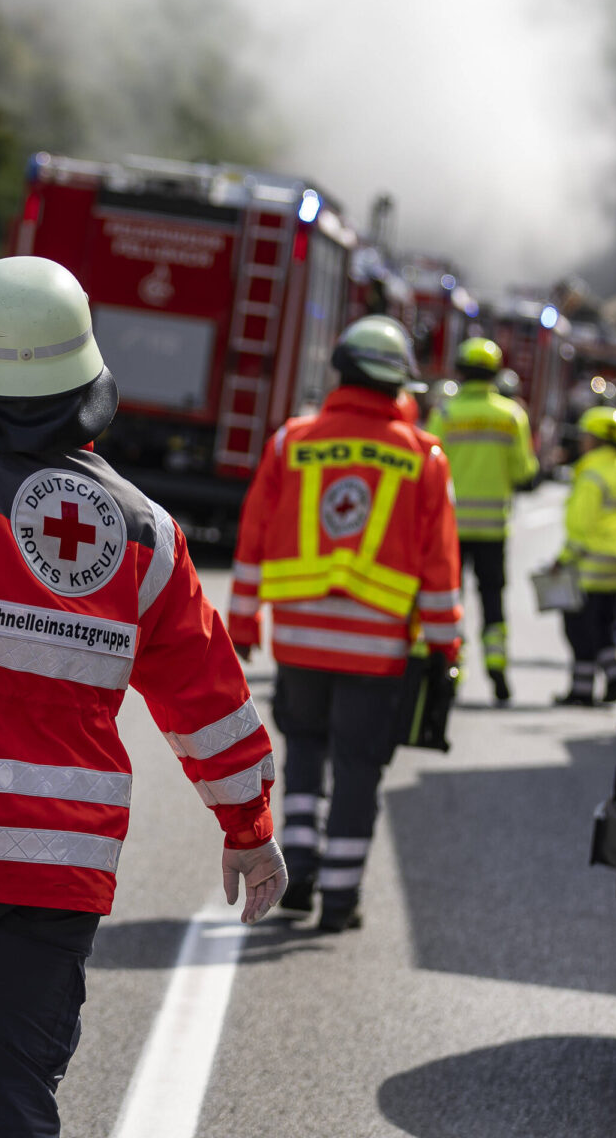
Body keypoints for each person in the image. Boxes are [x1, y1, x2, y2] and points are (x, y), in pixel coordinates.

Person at [0, 255, 282, 1138]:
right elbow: (208, 695)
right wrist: (250, 829)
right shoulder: (149, 529)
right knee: (16, 1099)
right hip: (56, 871)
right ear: (87, 377)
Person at [227, 316, 463, 931]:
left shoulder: (291, 442)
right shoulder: (424, 456)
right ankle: (340, 898)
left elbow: (251, 536)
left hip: (300, 640)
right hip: (377, 650)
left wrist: (245, 624)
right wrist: (445, 646)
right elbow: (439, 564)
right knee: (359, 766)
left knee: (304, 748)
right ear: (399, 383)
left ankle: (298, 871)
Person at [427, 336, 538, 703]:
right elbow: (524, 472)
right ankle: (497, 670)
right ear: (495, 373)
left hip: (450, 530)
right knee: (492, 600)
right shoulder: (512, 416)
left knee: (449, 601)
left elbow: (426, 468)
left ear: (461, 371)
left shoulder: (444, 413)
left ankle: (449, 672)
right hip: (493, 530)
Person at [559, 406, 616, 706]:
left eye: (586, 435)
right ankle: (614, 681)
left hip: (589, 568)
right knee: (608, 628)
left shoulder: (591, 473)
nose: (582, 441)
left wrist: (563, 559)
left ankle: (582, 690)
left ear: (595, 439)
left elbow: (580, 527)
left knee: (578, 629)